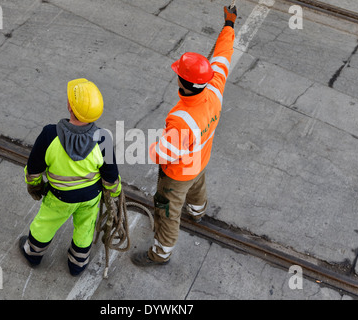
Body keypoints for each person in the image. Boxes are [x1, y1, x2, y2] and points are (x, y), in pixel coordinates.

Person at [131, 6, 237, 266]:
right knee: (197, 186)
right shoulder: (214, 88)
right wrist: (229, 25)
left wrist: (150, 145)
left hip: (177, 174)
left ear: (184, 83)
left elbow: (163, 153)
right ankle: (198, 212)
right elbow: (223, 56)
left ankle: (160, 253)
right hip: (200, 160)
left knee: (167, 211)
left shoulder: (181, 119)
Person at [20, 78, 121, 276]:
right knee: (85, 228)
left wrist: (35, 186)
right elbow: (111, 177)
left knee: (46, 223)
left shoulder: (50, 134)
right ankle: (77, 263)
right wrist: (113, 194)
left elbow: (33, 169)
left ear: (69, 106)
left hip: (59, 197)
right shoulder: (103, 139)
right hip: (90, 198)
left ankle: (33, 254)